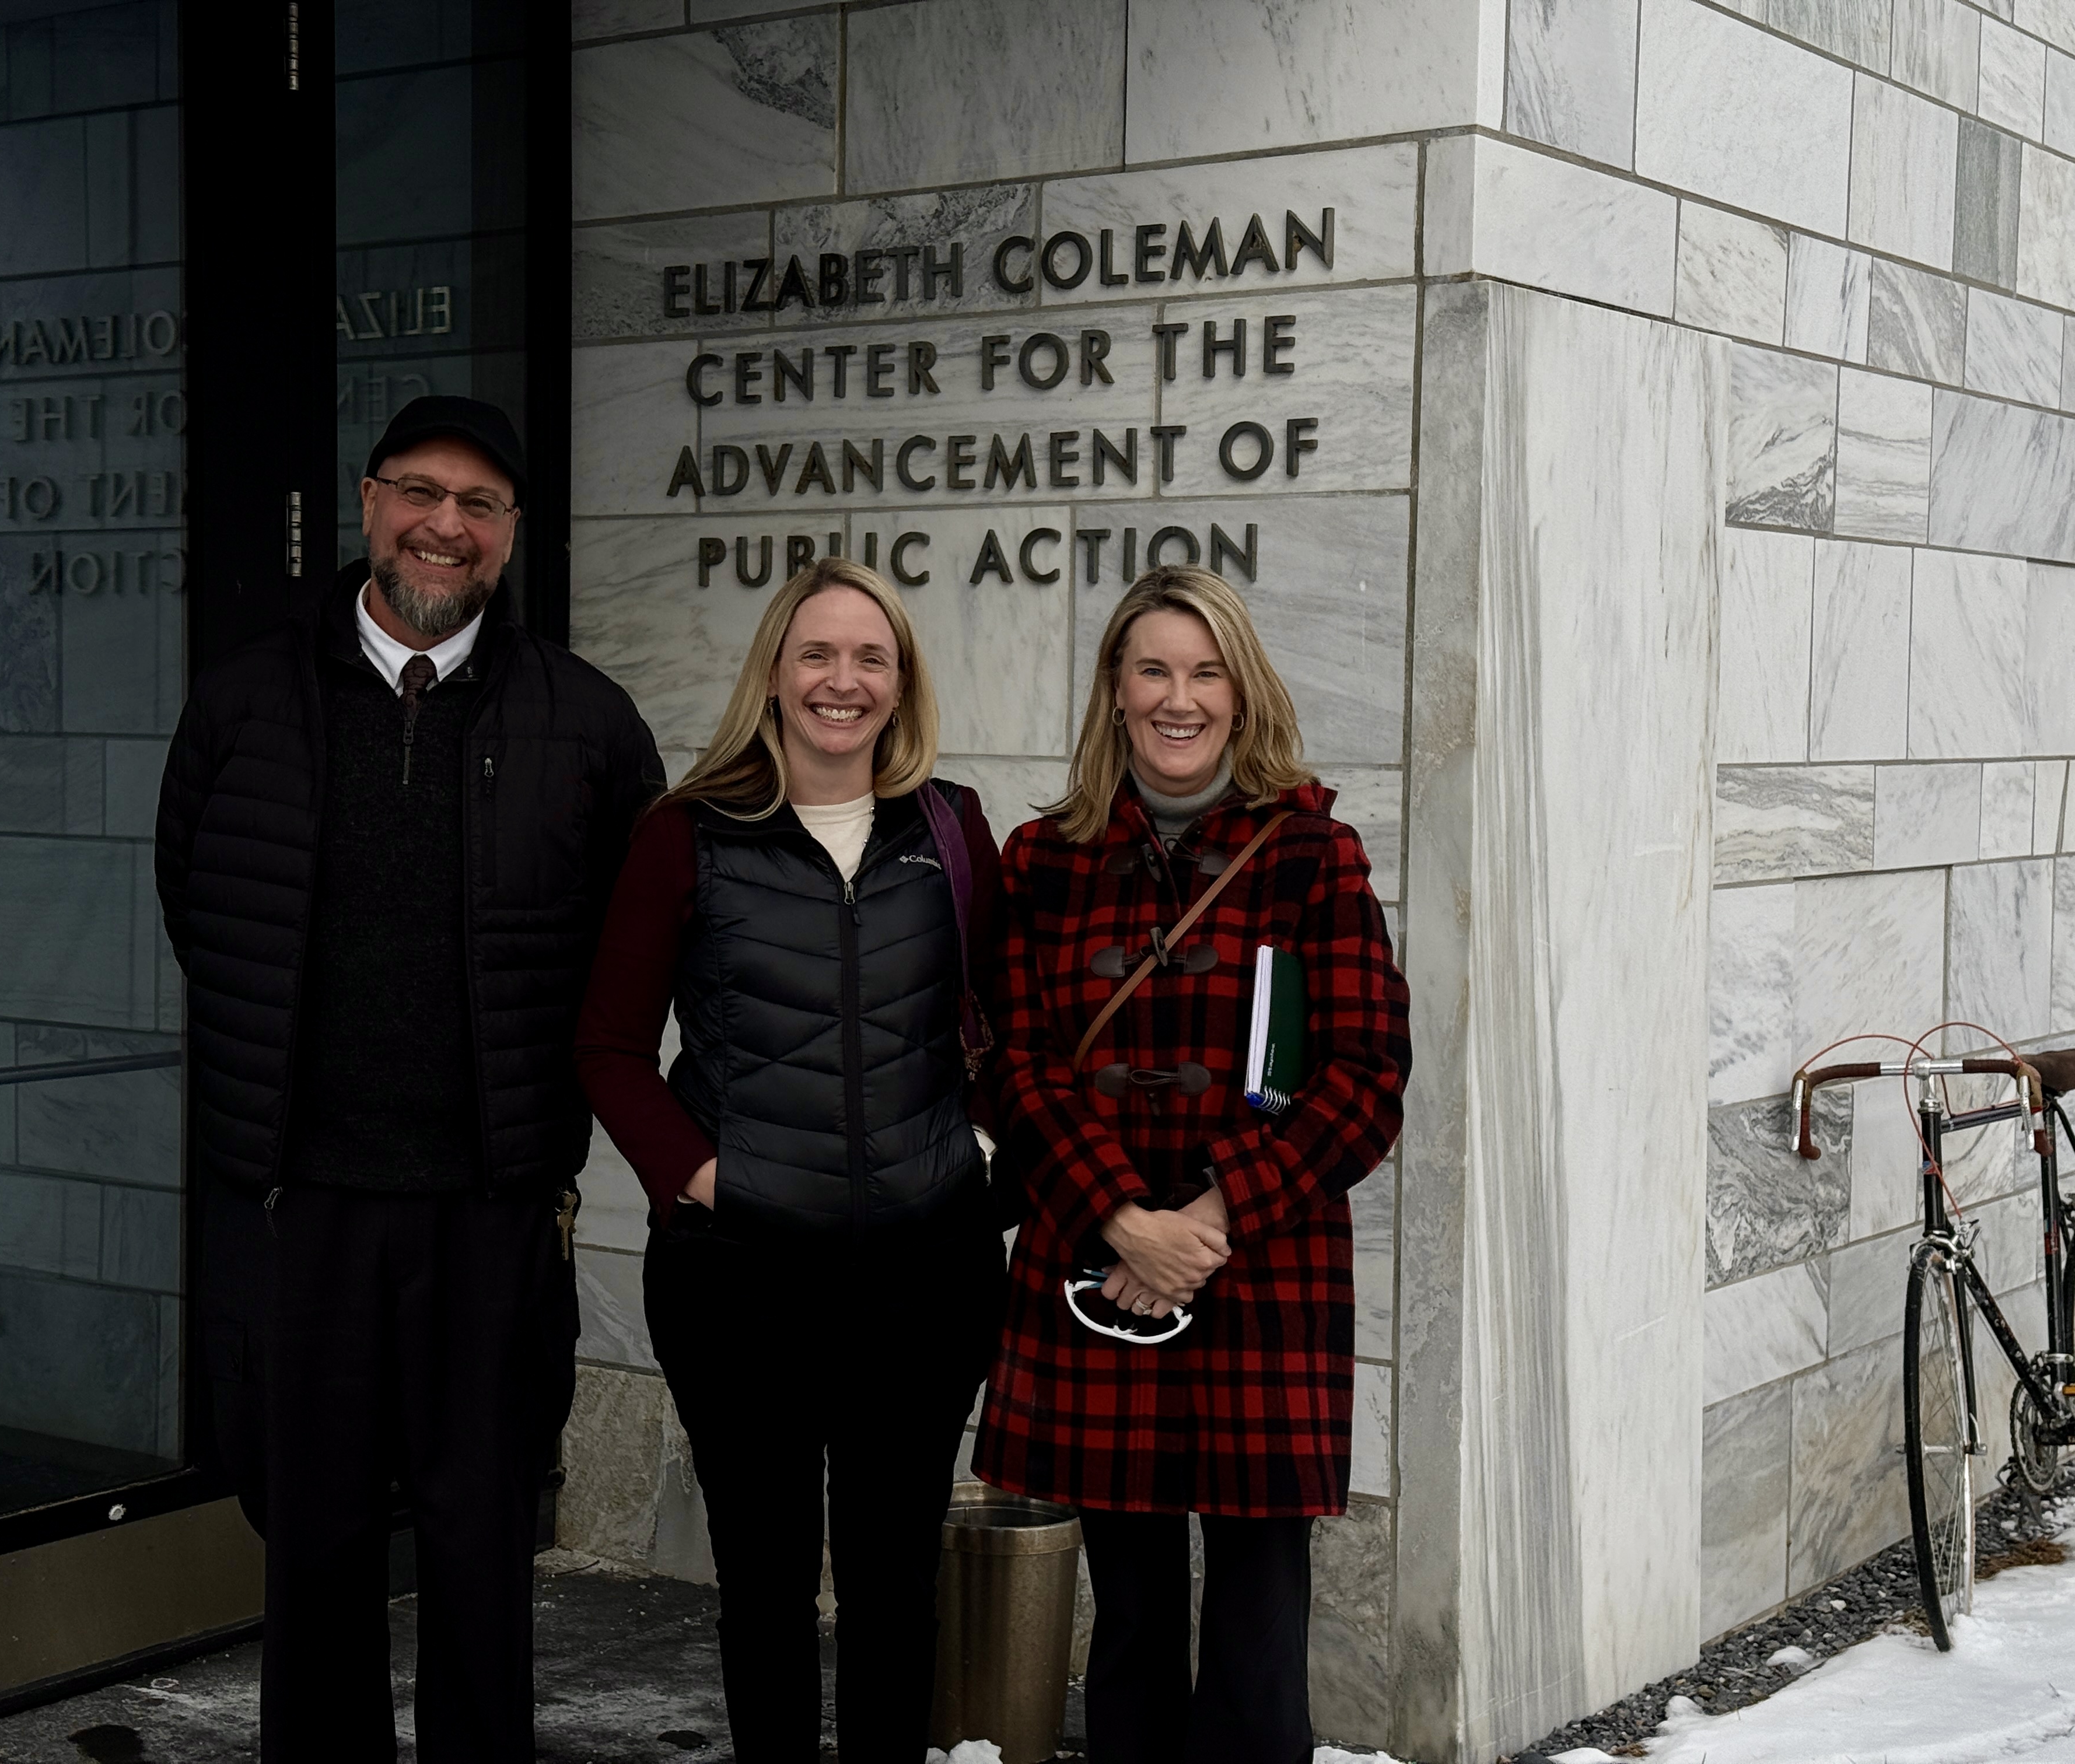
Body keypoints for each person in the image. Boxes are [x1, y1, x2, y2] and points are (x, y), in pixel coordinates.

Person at [153, 395, 664, 1762]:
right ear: (371, 502)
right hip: (301, 1203)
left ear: (512, 533)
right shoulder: (246, 702)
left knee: (483, 1544)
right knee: (312, 1544)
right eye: (421, 493)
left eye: (480, 504)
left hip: (492, 1206)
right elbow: (201, 906)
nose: (447, 525)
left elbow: (630, 956)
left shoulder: (588, 723)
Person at [973, 566, 1410, 1764]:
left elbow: (1368, 1075)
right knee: (1130, 1625)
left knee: (1262, 1633)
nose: (1180, 698)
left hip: (1263, 1281)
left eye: (1206, 672)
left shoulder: (1314, 855)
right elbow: (1011, 1064)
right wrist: (1124, 1220)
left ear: (1241, 691)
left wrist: (1206, 1221)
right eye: (1154, 670)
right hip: (1099, 1280)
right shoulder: (1040, 860)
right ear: (1114, 690)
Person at [574, 557, 1006, 1764]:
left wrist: (975, 1152)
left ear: (901, 683)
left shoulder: (953, 829)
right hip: (741, 1281)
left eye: (871, 657)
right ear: (773, 671)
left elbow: (1015, 1025)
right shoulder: (686, 835)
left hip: (923, 1277)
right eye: (817, 653)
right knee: (764, 1587)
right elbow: (609, 1046)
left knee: (893, 1585)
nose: (842, 680)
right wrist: (709, 1181)